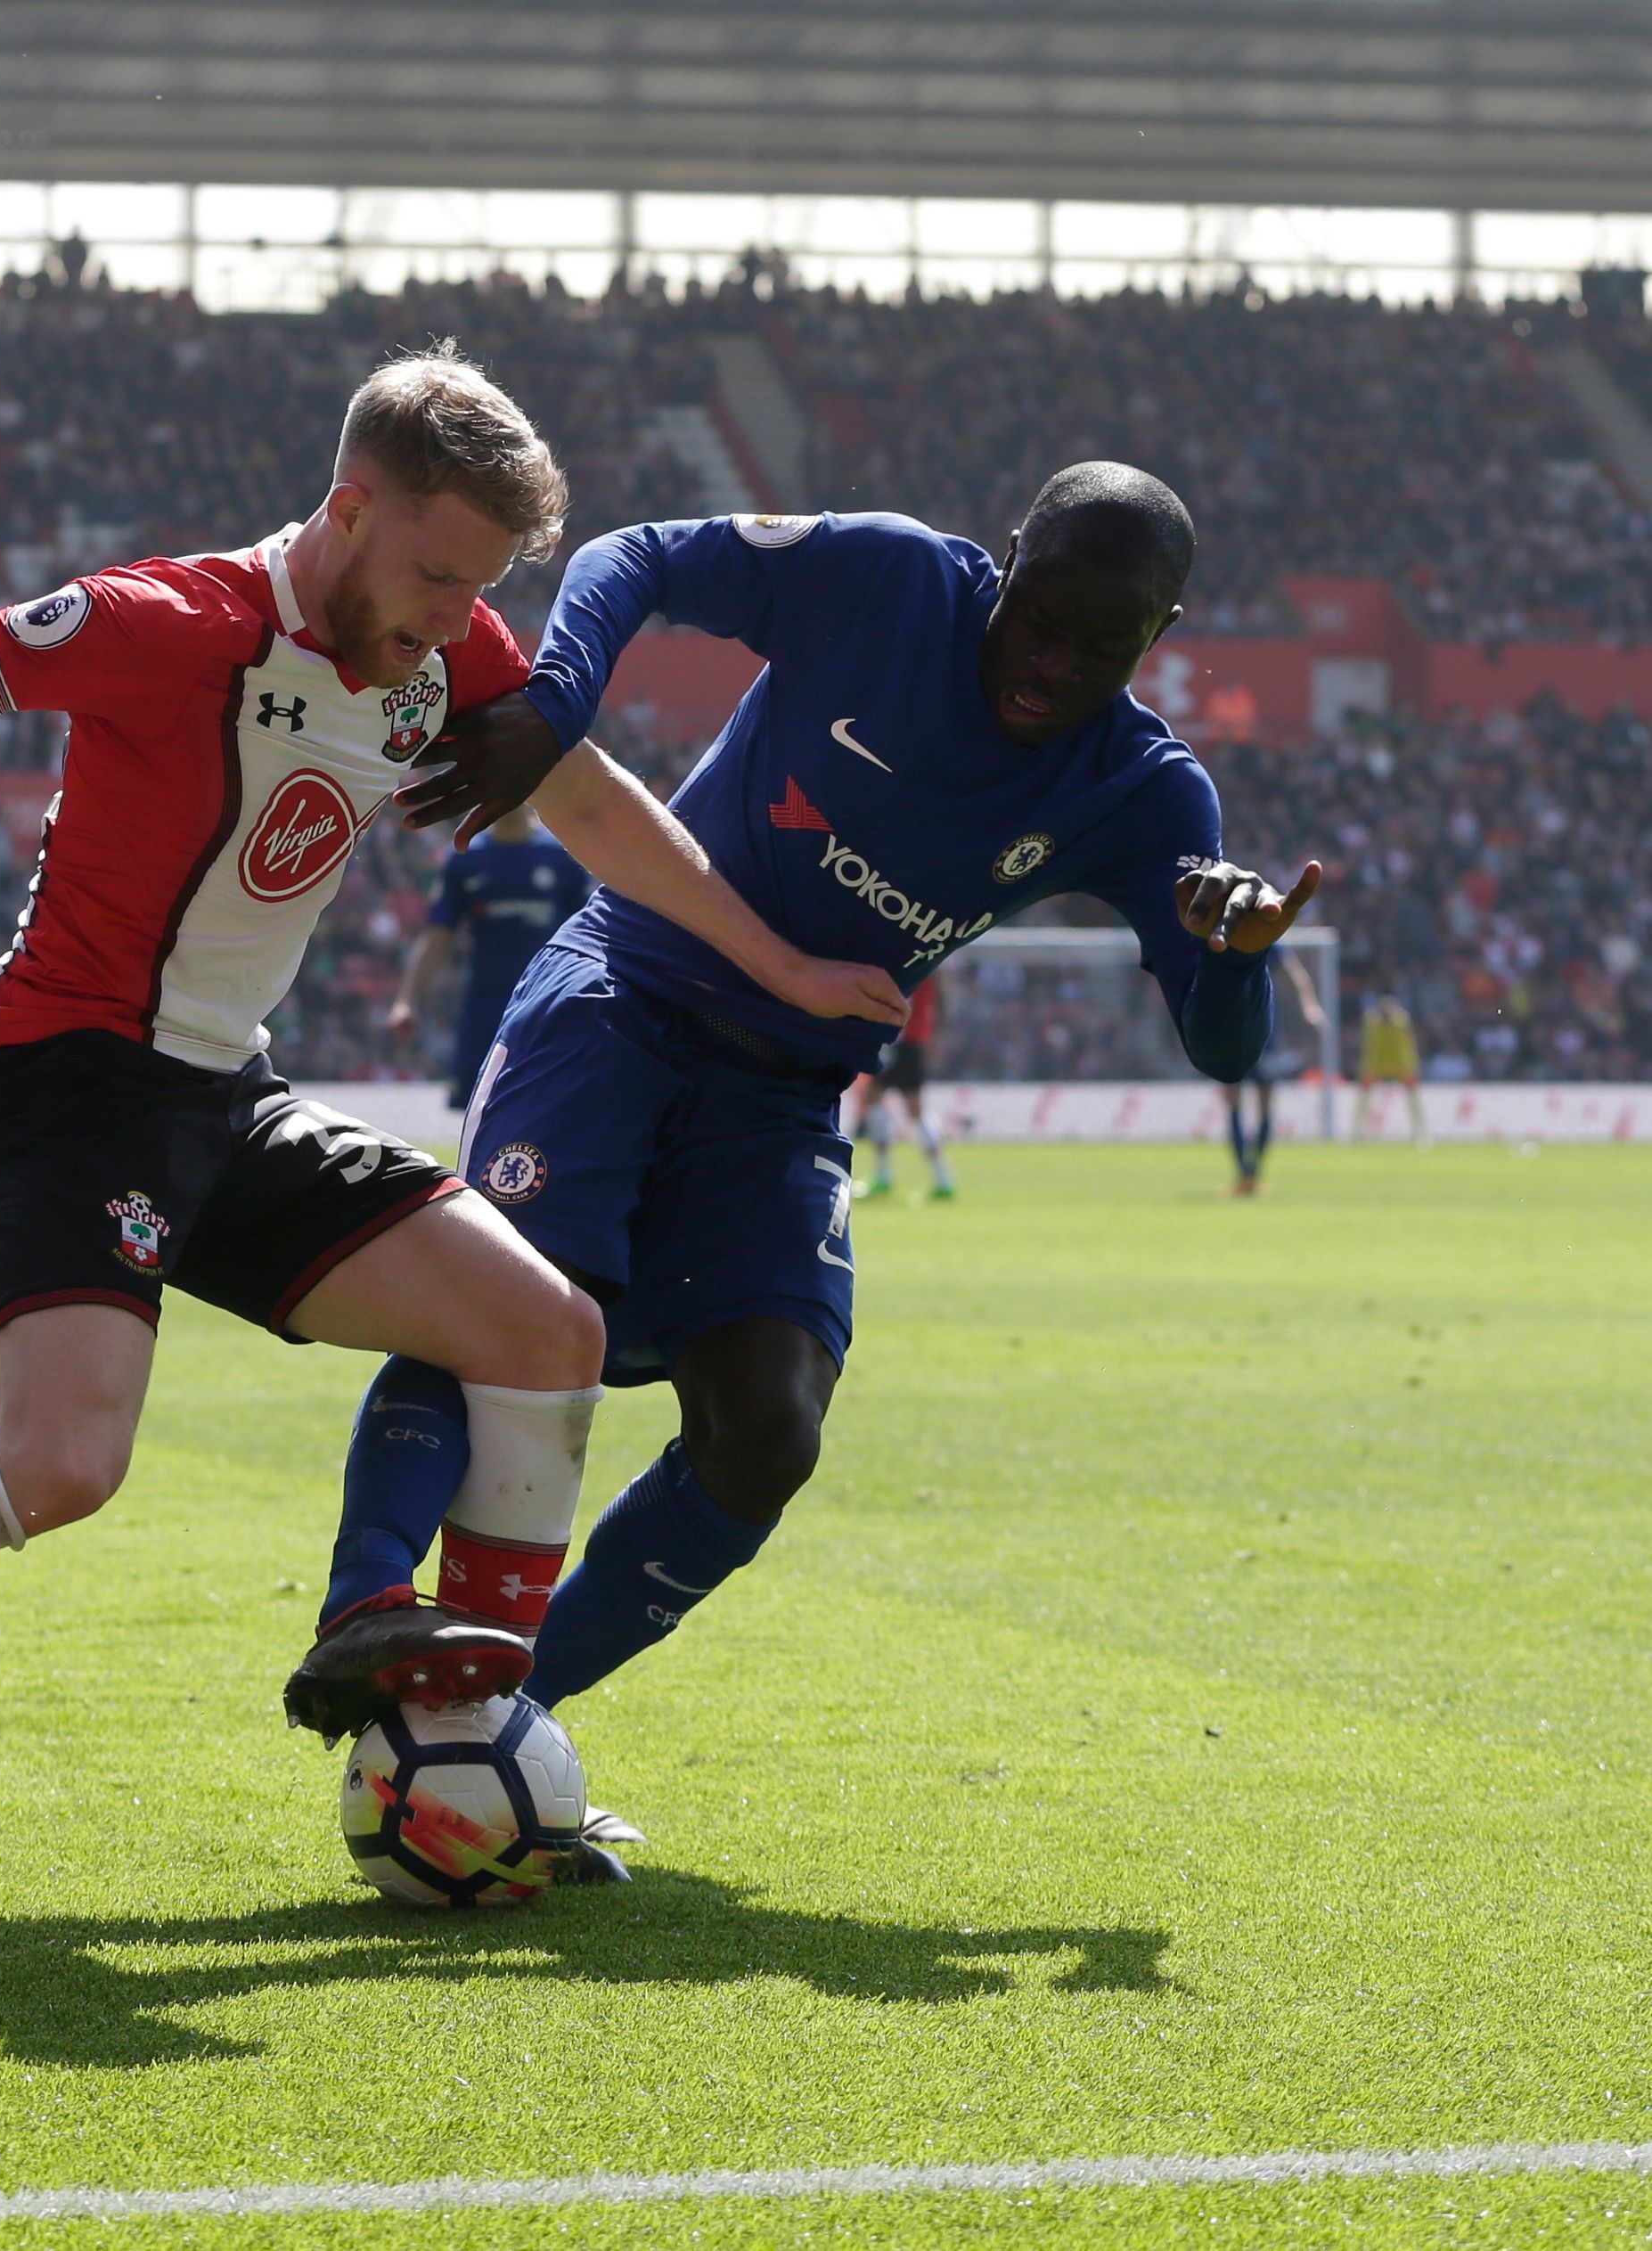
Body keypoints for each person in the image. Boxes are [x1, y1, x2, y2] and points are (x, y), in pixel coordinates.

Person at [0, 343, 903, 1903]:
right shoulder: (172, 622)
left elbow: (588, 803)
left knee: (542, 1327)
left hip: (225, 1092)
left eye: (481, 588)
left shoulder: (446, 648)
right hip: (64, 1088)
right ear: (348, 508)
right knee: (62, 1465)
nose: (458, 620)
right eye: (438, 576)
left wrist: (777, 964)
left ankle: (475, 1737)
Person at [348, 471, 1319, 1785]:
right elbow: (638, 554)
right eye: (1039, 619)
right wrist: (559, 698)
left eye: (1102, 644)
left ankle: (494, 1729)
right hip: (627, 990)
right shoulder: (891, 578)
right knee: (506, 1313)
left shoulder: (1144, 792)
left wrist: (1239, 961)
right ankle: (362, 1604)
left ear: (1164, 632)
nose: (1050, 665)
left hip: (782, 1093)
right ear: (1007, 556)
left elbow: (1224, 1048)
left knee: (768, 1432)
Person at [390, 803, 591, 1109]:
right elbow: (437, 935)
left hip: (550, 1003)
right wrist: (407, 1000)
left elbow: (590, 930)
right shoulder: (466, 857)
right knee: (479, 1107)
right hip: (486, 1006)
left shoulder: (562, 855)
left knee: (552, 1103)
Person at [1227, 953, 1328, 1196]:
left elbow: (1294, 972)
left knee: (1262, 1106)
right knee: (1234, 1104)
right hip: (1230, 1034)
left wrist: (1310, 1005)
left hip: (1261, 1038)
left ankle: (1252, 1175)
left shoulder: (1264, 940)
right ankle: (1245, 1176)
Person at [847, 978, 954, 1200]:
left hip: (900, 1041)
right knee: (903, 1106)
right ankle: (942, 1179)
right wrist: (933, 1035)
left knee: (883, 1101)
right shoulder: (932, 973)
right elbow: (937, 1005)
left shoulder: (911, 969)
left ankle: (887, 1177)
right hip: (913, 1042)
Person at [1358, 991, 1427, 1143]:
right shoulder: (1372, 1022)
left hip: (1400, 1065)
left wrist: (1413, 1064)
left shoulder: (1401, 1021)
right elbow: (1367, 1043)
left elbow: (1410, 1041)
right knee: (1363, 1098)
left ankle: (1420, 1132)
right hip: (1376, 1064)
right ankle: (1358, 1132)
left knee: (1413, 1099)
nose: (1386, 1012)